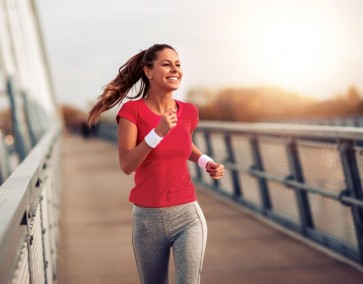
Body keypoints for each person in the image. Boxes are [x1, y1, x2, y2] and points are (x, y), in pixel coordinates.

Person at [87, 44, 225, 284]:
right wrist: (156, 133)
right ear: (148, 71)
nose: (175, 69)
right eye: (166, 64)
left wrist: (206, 162)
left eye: (178, 64)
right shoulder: (132, 111)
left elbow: (183, 145)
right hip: (147, 220)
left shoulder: (189, 112)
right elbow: (127, 164)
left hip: (187, 215)